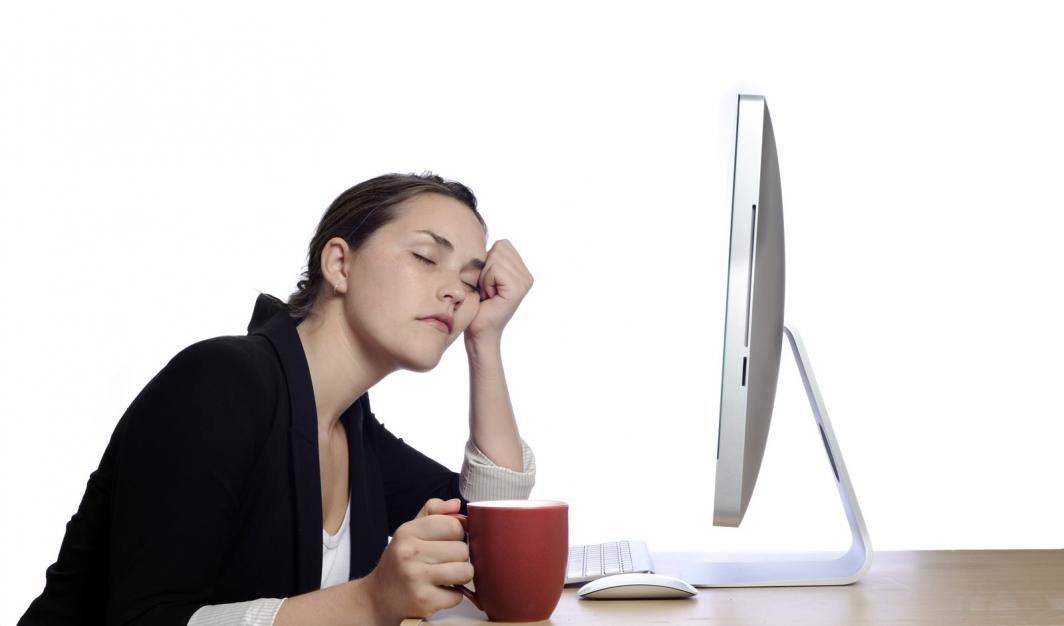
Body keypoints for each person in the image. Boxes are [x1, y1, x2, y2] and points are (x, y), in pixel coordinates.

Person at [18, 172, 538, 625]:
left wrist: (485, 343)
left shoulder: (349, 427)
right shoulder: (219, 383)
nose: (455, 292)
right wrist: (369, 602)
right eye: (426, 257)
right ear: (339, 264)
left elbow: (492, 538)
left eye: (472, 284)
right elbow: (146, 619)